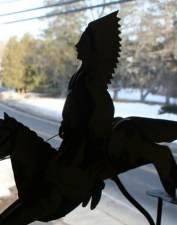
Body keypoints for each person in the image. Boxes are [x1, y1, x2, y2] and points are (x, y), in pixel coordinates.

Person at [58, 11, 121, 209]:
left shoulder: (91, 78)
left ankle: (91, 185)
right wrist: (66, 122)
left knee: (80, 159)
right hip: (72, 129)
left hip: (85, 131)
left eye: (82, 42)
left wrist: (87, 128)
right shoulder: (80, 74)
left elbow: (102, 105)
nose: (77, 45)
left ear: (93, 48)